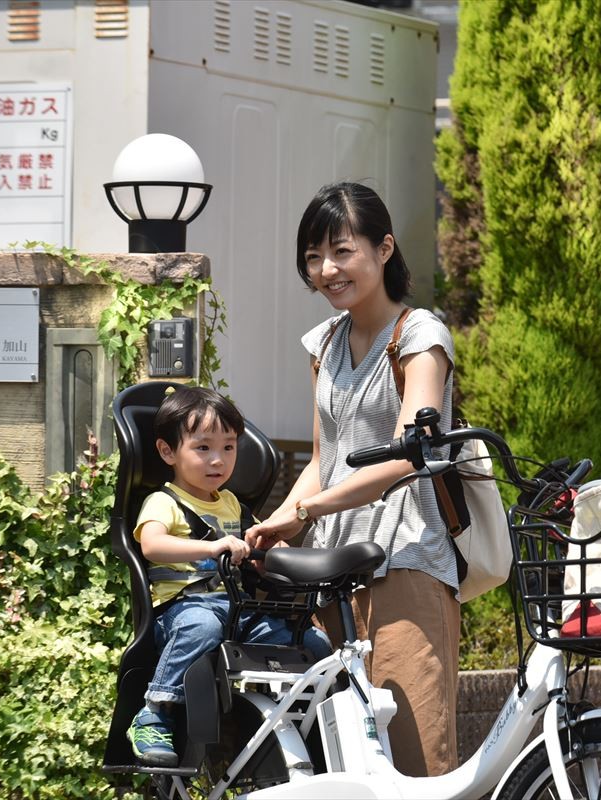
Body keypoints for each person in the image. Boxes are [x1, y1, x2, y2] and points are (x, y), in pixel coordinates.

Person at [245, 182, 460, 778]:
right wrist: (278, 524)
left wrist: (305, 514)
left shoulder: (420, 337)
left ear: (384, 248)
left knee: (416, 762)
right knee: (339, 766)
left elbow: (406, 457)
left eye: (341, 251)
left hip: (406, 562)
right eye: (313, 257)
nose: (326, 270)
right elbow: (324, 459)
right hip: (332, 573)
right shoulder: (324, 343)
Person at [128, 385, 331, 767]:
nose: (217, 460)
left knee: (311, 641)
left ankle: (310, 726)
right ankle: (155, 713)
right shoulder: (164, 501)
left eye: (228, 447)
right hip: (183, 610)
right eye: (203, 448)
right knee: (202, 626)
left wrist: (272, 555)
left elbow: (261, 547)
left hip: (239, 611)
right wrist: (212, 547)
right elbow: (152, 546)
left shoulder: (233, 504)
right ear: (168, 452)